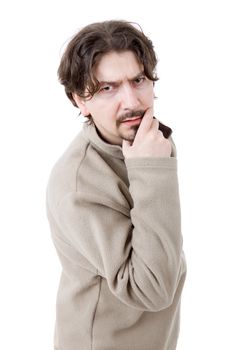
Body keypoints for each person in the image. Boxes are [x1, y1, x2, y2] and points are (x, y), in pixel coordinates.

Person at [46, 20, 186, 350]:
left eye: (138, 80)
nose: (132, 101)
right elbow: (152, 289)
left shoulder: (146, 142)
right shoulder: (77, 185)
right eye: (108, 88)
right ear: (80, 99)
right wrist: (151, 170)